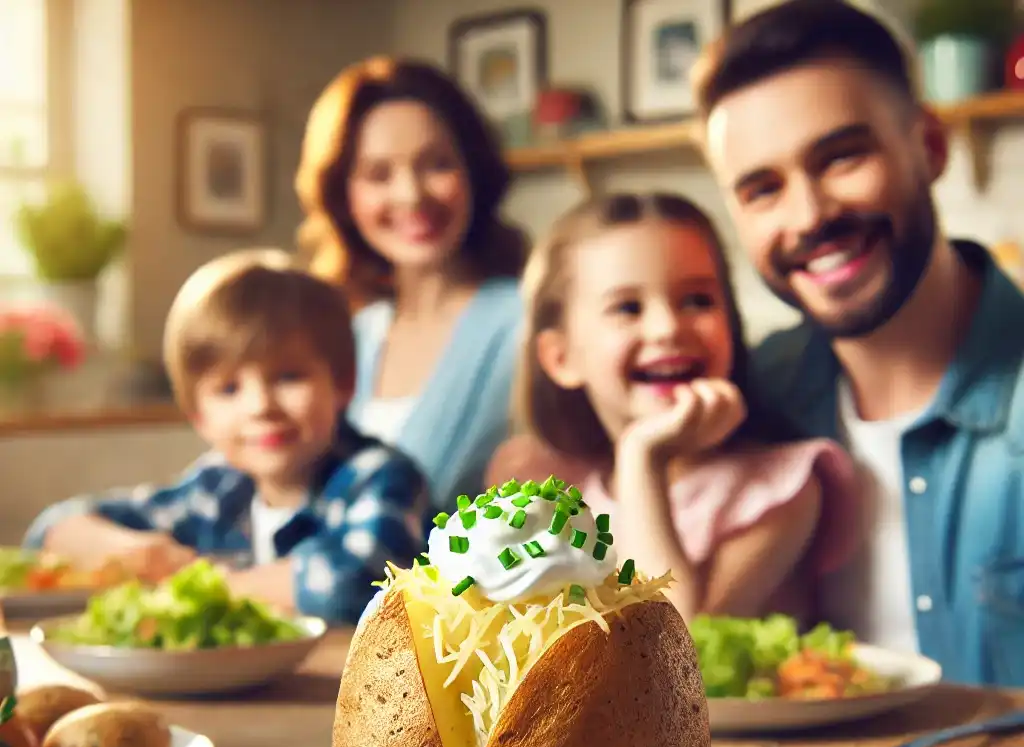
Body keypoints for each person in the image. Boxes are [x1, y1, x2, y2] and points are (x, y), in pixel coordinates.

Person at [693, 0, 1024, 686]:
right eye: (762, 190)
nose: (809, 216)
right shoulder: (753, 394)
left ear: (929, 147)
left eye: (842, 157)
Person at [23, 250, 430, 626]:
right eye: (229, 389)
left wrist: (202, 584)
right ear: (198, 416)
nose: (260, 406)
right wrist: (136, 551)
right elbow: (51, 530)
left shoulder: (381, 476)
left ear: (342, 383)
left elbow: (354, 585)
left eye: (289, 376)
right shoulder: (219, 486)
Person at [504, 191, 857, 623]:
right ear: (561, 358)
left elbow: (674, 651)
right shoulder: (559, 502)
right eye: (627, 308)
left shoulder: (782, 490)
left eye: (697, 301)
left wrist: (642, 457)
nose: (668, 327)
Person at [295, 57, 527, 510]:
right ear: (344, 196)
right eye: (379, 174)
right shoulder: (353, 333)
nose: (410, 195)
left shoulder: (524, 322)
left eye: (436, 164)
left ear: (473, 173)